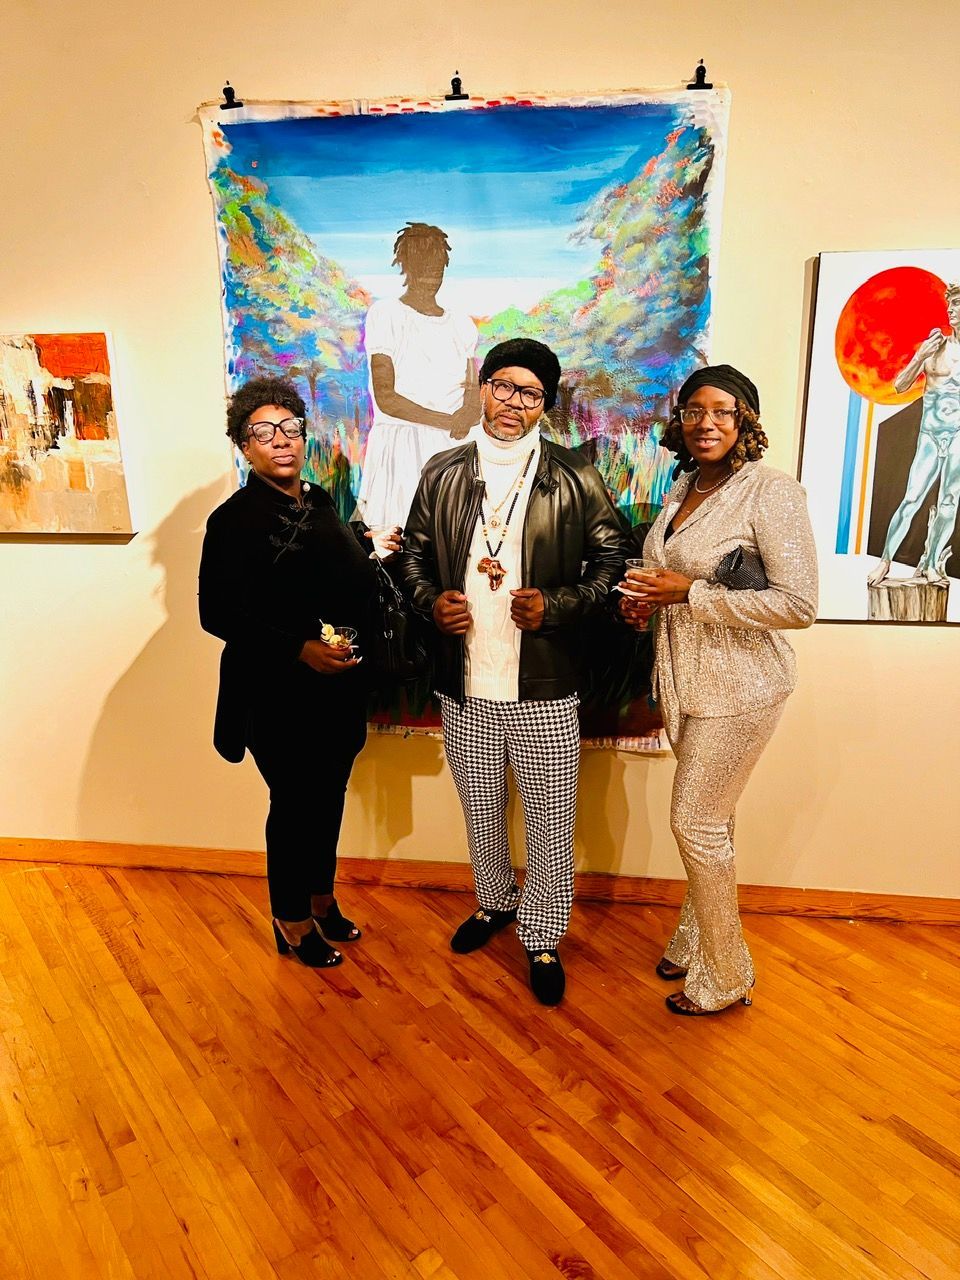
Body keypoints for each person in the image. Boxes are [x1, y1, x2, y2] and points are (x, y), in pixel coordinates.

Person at [402, 338, 627, 1004]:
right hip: (465, 682)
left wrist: (557, 605)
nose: (511, 403)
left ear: (545, 406)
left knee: (553, 819)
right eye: (502, 386)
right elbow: (413, 557)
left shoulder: (574, 475)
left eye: (528, 393)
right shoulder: (443, 471)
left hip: (545, 686)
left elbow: (613, 562)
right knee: (481, 811)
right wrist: (429, 602)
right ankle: (494, 903)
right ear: (482, 387)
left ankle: (542, 934)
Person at [619, 364, 817, 1015]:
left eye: (724, 411)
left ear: (745, 422)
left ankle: (727, 972)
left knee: (695, 821)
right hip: (685, 678)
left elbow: (798, 605)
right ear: (680, 422)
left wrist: (693, 594)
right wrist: (645, 600)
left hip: (743, 686)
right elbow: (668, 571)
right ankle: (691, 934)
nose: (708, 423)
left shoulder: (771, 491)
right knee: (716, 817)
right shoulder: (683, 486)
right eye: (695, 411)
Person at [199, 377, 398, 968]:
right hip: (274, 691)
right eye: (264, 433)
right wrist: (298, 648)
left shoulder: (315, 500)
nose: (281, 441)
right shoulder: (231, 520)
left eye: (291, 429)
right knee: (294, 806)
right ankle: (289, 922)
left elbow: (329, 574)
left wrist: (366, 547)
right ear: (244, 446)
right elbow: (216, 613)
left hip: (335, 690)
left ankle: (320, 900)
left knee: (328, 799)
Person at [357, 222, 481, 530]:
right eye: (424, 268)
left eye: (437, 268)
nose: (431, 276)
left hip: (455, 447)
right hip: (403, 448)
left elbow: (472, 386)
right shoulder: (386, 316)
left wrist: (467, 413)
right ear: (407, 268)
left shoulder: (461, 325)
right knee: (400, 540)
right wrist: (448, 421)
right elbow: (387, 399)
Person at [867, 282, 960, 585]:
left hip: (958, 436)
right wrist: (920, 356)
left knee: (949, 501)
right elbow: (900, 385)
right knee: (912, 498)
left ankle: (932, 561)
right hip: (931, 434)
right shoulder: (936, 346)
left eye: (958, 304)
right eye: (951, 303)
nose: (952, 309)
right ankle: (884, 562)